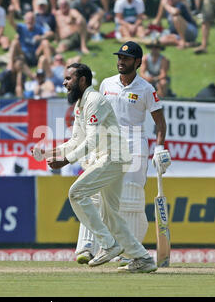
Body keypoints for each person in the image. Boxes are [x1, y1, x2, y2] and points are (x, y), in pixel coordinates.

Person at [40, 62, 159, 273]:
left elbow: (92, 140)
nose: (65, 83)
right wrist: (50, 152)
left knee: (76, 193)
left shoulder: (94, 100)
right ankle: (142, 259)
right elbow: (77, 139)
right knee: (110, 214)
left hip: (112, 157)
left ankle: (109, 245)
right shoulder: (80, 104)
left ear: (82, 80)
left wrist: (67, 161)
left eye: (69, 79)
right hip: (110, 157)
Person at [74, 41, 171, 267]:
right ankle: (89, 247)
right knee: (95, 193)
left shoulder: (146, 89)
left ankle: (132, 255)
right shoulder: (106, 84)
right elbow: (94, 115)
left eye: (126, 59)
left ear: (137, 62)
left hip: (135, 144)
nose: (121, 61)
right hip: (107, 143)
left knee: (131, 199)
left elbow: (160, 123)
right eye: (119, 57)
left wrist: (160, 148)